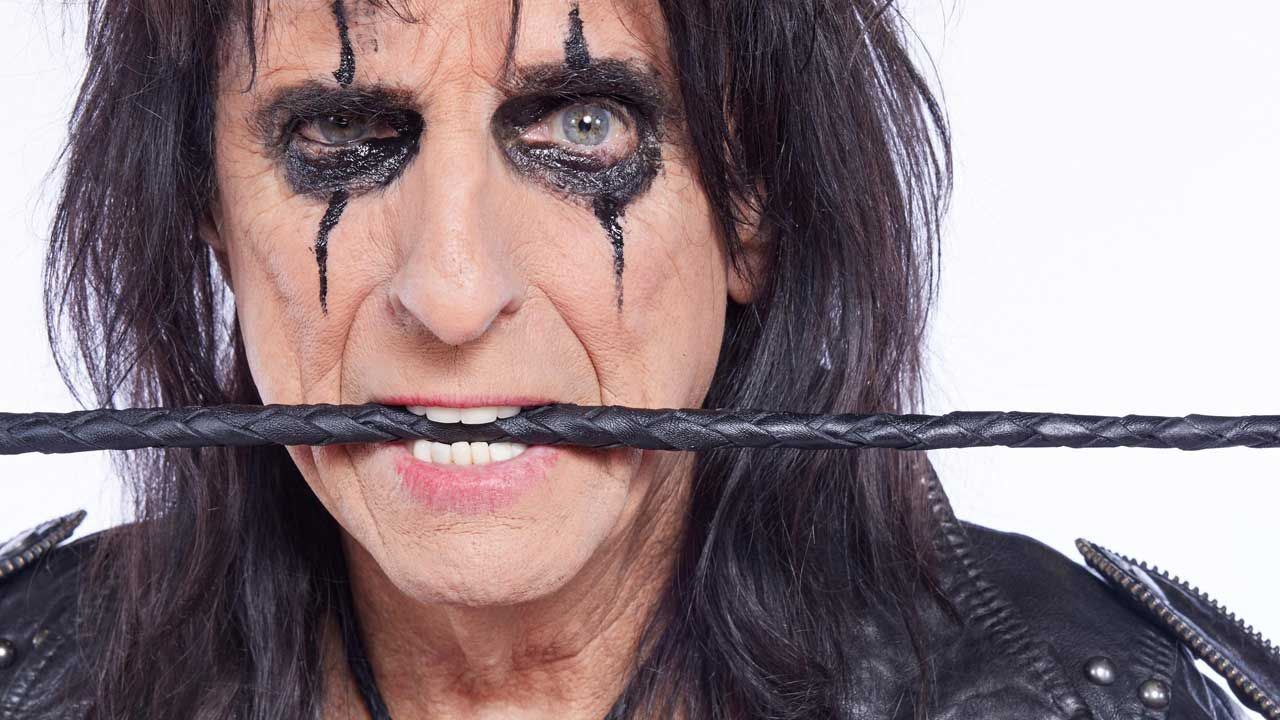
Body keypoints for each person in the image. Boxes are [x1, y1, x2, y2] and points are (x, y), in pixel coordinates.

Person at [0, 0, 1271, 718]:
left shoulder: (1079, 698)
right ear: (209, 213)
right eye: (338, 133)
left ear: (752, 203)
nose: (453, 293)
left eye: (583, 126)